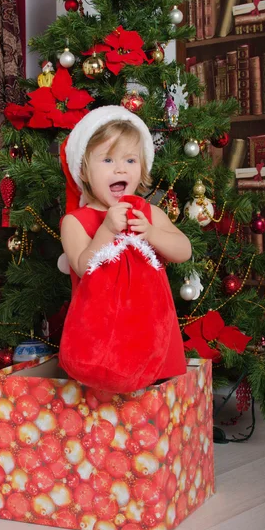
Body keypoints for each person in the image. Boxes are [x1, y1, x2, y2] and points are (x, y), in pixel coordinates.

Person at [58, 105, 192, 392]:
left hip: (152, 329)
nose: (120, 168)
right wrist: (106, 229)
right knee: (102, 399)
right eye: (107, 159)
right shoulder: (75, 221)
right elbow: (83, 265)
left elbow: (184, 250)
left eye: (130, 160)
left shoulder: (147, 213)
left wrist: (152, 233)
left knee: (155, 399)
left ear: (142, 168)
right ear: (83, 170)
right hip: (101, 335)